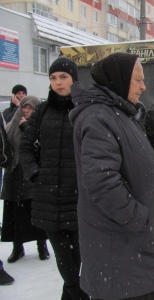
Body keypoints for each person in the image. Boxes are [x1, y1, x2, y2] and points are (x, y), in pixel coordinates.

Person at [69, 52, 154, 300]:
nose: (143, 86)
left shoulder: (121, 114)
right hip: (121, 249)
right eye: (137, 80)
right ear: (119, 80)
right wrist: (138, 218)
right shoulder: (99, 117)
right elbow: (101, 182)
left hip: (136, 245)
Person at [20, 57, 89, 300]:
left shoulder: (84, 108)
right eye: (53, 77)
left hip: (78, 195)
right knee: (63, 256)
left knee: (77, 255)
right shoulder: (42, 110)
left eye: (63, 77)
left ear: (74, 79)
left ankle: (69, 295)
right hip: (47, 196)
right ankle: (76, 293)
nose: (58, 82)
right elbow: (25, 146)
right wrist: (34, 173)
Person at [1, 96, 49, 263]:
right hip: (14, 175)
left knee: (35, 211)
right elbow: (5, 148)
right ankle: (17, 247)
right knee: (15, 213)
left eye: (31, 108)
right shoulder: (11, 126)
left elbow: (43, 147)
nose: (26, 111)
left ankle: (42, 245)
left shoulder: (41, 126)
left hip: (33, 175)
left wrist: (26, 128)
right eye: (24, 107)